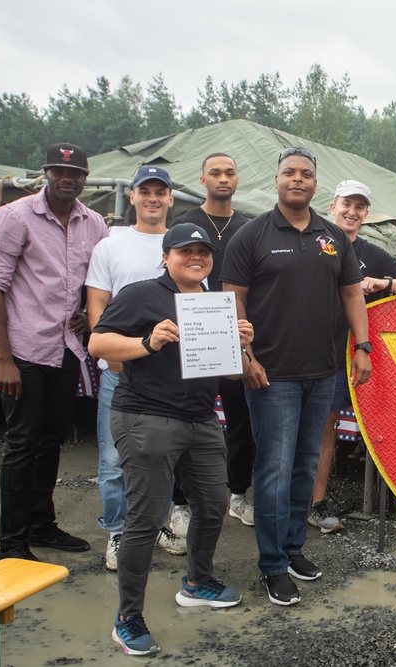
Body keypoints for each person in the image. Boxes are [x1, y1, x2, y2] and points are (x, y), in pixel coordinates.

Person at [89, 223, 252, 656]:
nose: (196, 257)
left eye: (203, 251)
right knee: (145, 519)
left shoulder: (214, 302)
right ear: (166, 256)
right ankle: (127, 619)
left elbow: (231, 374)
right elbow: (97, 343)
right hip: (146, 417)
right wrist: (148, 341)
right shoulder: (142, 294)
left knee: (214, 503)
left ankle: (197, 583)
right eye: (186, 251)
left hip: (199, 419)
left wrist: (239, 344)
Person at [220, 147, 371, 607]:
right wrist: (245, 356)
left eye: (306, 173)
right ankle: (270, 566)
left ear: (315, 184)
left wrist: (362, 347)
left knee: (306, 465)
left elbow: (351, 294)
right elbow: (234, 300)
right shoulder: (251, 235)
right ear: (277, 180)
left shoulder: (333, 237)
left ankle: (291, 550)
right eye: (290, 172)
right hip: (272, 374)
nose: (298, 179)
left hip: (323, 370)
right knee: (274, 469)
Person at [0, 142, 107, 561]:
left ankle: (42, 525)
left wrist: (90, 318)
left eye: (75, 174)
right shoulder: (15, 217)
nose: (67, 179)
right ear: (46, 173)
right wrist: (3, 358)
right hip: (25, 351)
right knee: (22, 443)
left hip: (66, 349)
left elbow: (98, 284)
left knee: (52, 439)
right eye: (59, 172)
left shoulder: (94, 225)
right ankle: (12, 545)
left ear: (85, 179)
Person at [308, 180, 396, 533]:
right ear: (332, 206)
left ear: (366, 214)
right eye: (347, 204)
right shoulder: (310, 243)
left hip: (344, 357)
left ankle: (316, 503)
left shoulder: (370, 253)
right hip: (299, 352)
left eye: (359, 207)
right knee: (290, 430)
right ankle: (283, 502)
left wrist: (380, 283)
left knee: (324, 431)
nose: (352, 212)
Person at [86, 165, 187, 570]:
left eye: (160, 192)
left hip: (171, 374)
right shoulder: (110, 245)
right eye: (144, 191)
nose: (152, 198)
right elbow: (97, 301)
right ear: (132, 197)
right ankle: (117, 531)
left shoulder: (182, 242)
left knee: (165, 455)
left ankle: (156, 524)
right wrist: (109, 351)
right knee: (115, 458)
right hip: (124, 366)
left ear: (170, 198)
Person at [172, 153, 256, 527]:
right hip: (194, 336)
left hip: (236, 333)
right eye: (215, 173)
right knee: (187, 419)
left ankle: (237, 495)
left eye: (229, 172)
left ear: (238, 180)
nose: (223, 178)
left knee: (242, 420)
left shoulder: (249, 227)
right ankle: (180, 503)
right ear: (202, 180)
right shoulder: (185, 223)